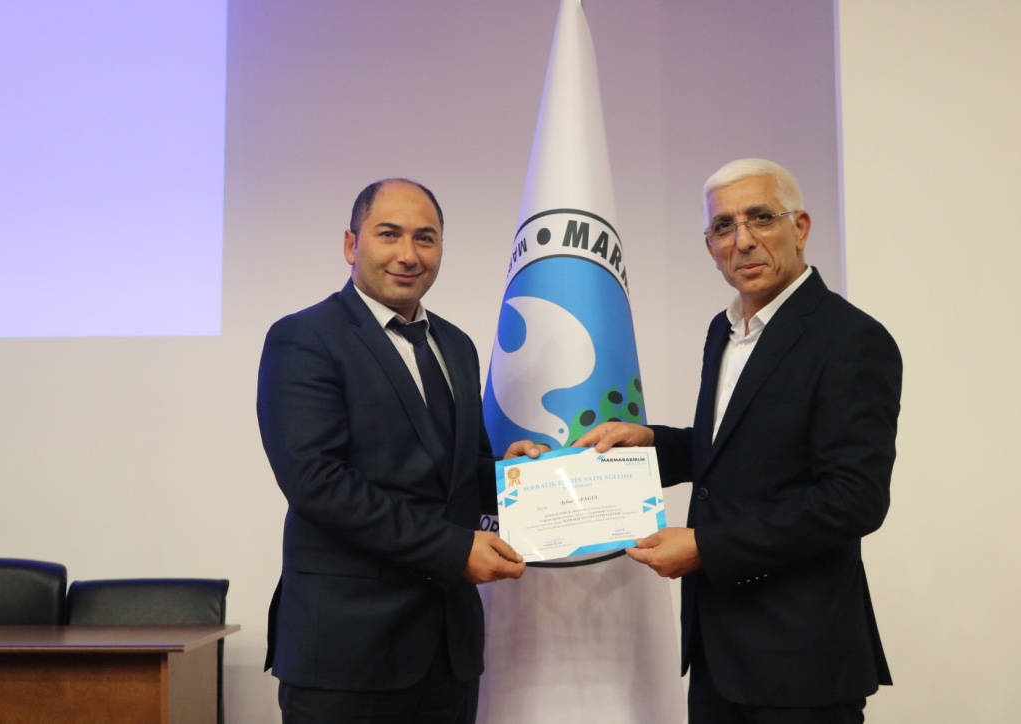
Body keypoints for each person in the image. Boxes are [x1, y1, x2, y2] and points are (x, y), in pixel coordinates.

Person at [576, 159, 902, 722]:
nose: (742, 240)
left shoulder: (852, 339)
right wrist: (652, 443)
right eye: (723, 226)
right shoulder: (722, 331)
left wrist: (707, 546)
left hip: (801, 660)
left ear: (800, 227)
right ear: (709, 246)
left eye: (761, 218)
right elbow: (734, 450)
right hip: (717, 650)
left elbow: (854, 499)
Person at [257, 178, 543, 723]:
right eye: (389, 234)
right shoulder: (304, 338)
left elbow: (458, 477)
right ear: (351, 244)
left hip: (448, 653)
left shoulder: (456, 345)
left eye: (425, 238)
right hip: (348, 653)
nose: (408, 254)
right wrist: (455, 549)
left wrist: (517, 478)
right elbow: (318, 483)